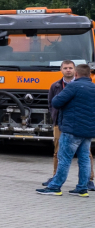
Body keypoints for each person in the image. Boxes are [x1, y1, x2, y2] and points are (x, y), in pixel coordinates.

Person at [38, 63, 95, 196]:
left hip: (72, 129)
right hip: (88, 131)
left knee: (64, 158)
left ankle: (55, 187)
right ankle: (82, 188)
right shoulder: (93, 87)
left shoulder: (73, 86)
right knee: (85, 158)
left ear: (76, 74)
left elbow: (56, 102)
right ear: (89, 75)